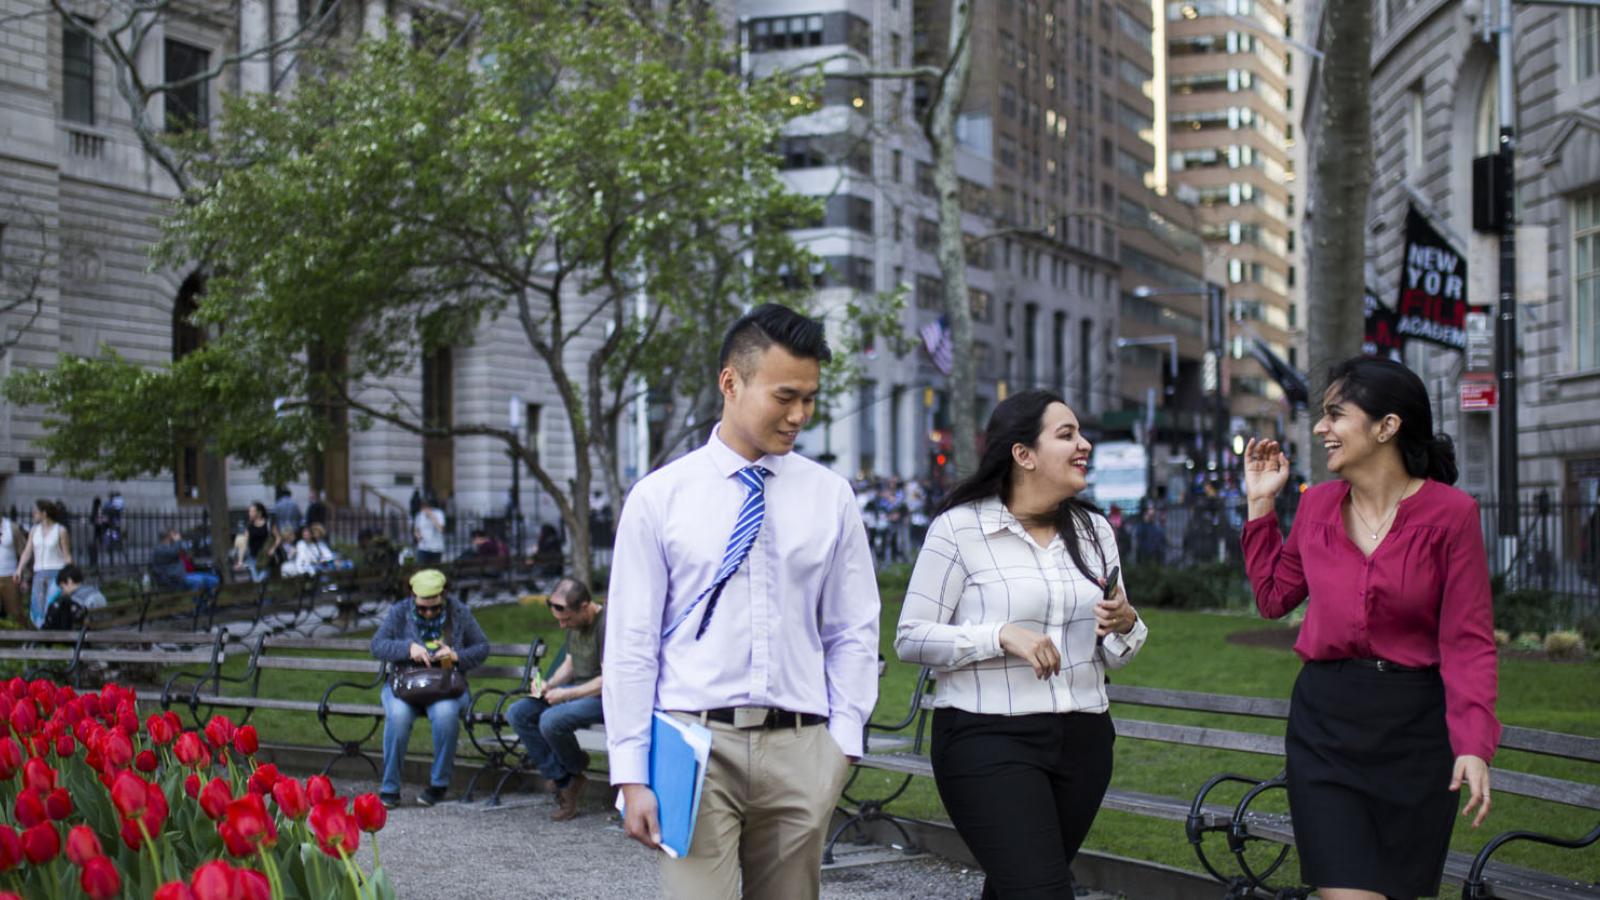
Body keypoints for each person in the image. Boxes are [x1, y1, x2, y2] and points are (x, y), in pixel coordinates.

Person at [604, 304, 880, 900]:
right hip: (694, 746)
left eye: (809, 398)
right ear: (731, 382)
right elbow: (630, 641)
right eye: (786, 396)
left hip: (803, 748)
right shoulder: (659, 498)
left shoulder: (830, 496)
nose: (800, 414)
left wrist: (843, 746)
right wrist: (630, 773)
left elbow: (853, 628)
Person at [1241, 356, 1498, 900]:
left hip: (1415, 737)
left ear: (1387, 426)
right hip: (1326, 729)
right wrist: (1262, 503)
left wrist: (1473, 743)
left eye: (1335, 415)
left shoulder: (1452, 515)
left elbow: (1468, 642)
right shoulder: (1317, 508)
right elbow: (1273, 597)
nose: (1320, 428)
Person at [894, 389, 1146, 898]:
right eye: (1067, 434)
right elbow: (911, 637)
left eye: (1081, 433)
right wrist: (1000, 635)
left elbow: (1119, 647)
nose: (1085, 445)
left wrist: (1125, 622)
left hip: (1085, 740)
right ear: (1023, 454)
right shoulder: (960, 529)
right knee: (1043, 889)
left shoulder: (1094, 530)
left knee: (1019, 886)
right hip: (987, 740)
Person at [370, 569, 490, 809]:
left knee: (446, 715)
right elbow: (377, 646)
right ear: (412, 596)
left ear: (443, 595)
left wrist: (455, 655)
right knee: (398, 716)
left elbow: (482, 647)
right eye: (422, 607)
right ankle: (390, 787)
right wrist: (408, 649)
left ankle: (438, 785)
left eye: (434, 608)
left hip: (446, 685)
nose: (428, 612)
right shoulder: (399, 612)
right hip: (405, 685)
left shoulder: (459, 612)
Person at [504, 577, 605, 821]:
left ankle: (573, 768)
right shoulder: (575, 624)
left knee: (550, 720)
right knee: (518, 712)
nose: (562, 626)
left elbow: (608, 680)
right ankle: (565, 777)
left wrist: (565, 694)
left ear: (584, 606)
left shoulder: (607, 625)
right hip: (576, 690)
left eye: (566, 619)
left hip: (602, 697)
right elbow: (570, 663)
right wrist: (550, 685)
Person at [13, 500, 72, 628]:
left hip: (57, 573)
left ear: (44, 513)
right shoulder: (34, 531)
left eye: (36, 512)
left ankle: (54, 637)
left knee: (51, 607)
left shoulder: (60, 530)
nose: (33, 514)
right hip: (39, 573)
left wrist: (70, 575)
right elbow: (27, 552)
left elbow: (67, 555)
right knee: (37, 608)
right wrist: (19, 569)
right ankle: (43, 637)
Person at [151, 528, 220, 605]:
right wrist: (178, 541)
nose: (177, 536)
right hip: (172, 579)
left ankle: (209, 603)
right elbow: (173, 553)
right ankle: (198, 607)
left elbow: (186, 554)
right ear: (168, 537)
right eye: (173, 535)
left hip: (182, 576)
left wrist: (180, 545)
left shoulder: (172, 546)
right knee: (198, 581)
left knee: (213, 579)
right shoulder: (159, 549)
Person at [43, 564, 107, 630]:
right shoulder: (96, 592)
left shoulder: (75, 600)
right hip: (102, 629)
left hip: (85, 634)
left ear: (69, 581)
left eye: (62, 587)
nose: (62, 591)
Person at [240, 502, 278, 583]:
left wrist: (273, 548)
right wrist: (240, 560)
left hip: (265, 558)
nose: (249, 513)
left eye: (252, 511)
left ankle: (266, 595)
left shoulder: (269, 523)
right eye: (249, 511)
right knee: (257, 581)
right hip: (253, 558)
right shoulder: (249, 526)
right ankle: (265, 595)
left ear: (259, 513)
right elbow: (244, 544)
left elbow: (278, 538)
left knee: (262, 580)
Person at [0, 512, 23, 622]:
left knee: (15, 612)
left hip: (10, 575)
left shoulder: (12, 528)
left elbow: (23, 551)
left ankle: (20, 637)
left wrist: (25, 576)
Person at [413, 496, 446, 565]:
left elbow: (441, 529)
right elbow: (416, 529)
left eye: (426, 507)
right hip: (423, 547)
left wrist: (432, 517)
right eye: (422, 508)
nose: (424, 510)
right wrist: (417, 535)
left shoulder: (438, 514)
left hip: (436, 548)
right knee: (422, 568)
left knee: (434, 570)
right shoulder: (419, 515)